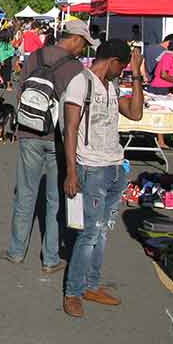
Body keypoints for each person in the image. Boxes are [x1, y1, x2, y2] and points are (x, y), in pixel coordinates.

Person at [2, 20, 96, 272]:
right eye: (84, 44)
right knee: (55, 199)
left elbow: (20, 90)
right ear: (75, 39)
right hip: (57, 139)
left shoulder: (36, 55)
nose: (83, 49)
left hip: (29, 132)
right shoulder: (75, 69)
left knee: (25, 193)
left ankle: (16, 251)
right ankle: (50, 258)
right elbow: (75, 112)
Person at [61, 39, 143, 318]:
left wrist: (137, 76)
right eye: (122, 68)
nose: (122, 72)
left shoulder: (112, 85)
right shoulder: (80, 83)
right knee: (88, 233)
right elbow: (70, 130)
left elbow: (135, 112)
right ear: (113, 62)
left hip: (114, 167)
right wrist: (71, 172)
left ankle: (92, 285)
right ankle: (73, 291)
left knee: (102, 232)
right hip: (91, 169)